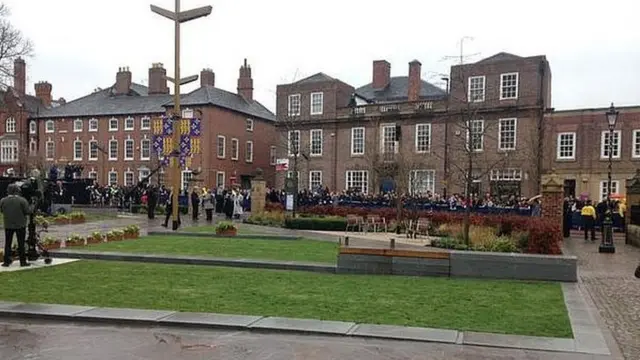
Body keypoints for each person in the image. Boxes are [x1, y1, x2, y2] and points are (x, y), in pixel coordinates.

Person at [1, 184, 32, 267]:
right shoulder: (22, 200)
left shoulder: (3, 200)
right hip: (20, 224)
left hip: (8, 224)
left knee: (8, 243)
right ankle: (23, 261)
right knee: (21, 244)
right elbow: (28, 211)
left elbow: (2, 210)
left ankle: (6, 261)